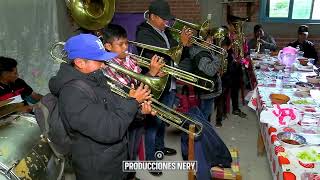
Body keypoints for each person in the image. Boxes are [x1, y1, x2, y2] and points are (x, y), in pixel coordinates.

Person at [49, 34, 154, 180]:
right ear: (80, 62)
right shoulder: (72, 94)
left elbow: (114, 108)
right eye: (99, 60)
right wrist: (133, 102)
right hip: (99, 169)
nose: (104, 64)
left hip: (115, 161)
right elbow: (110, 129)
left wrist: (139, 111)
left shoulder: (94, 77)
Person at [135, 0, 193, 176]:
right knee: (152, 125)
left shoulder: (165, 31)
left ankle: (160, 148)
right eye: (162, 19)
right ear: (152, 17)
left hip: (169, 83)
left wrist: (186, 45)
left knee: (163, 121)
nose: (166, 22)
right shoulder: (143, 33)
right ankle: (151, 160)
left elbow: (178, 57)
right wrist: (181, 44)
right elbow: (161, 58)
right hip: (154, 84)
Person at [103, 23, 163, 180]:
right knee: (126, 150)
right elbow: (131, 92)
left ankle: (131, 174)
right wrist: (151, 73)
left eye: (126, 43)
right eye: (120, 44)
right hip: (124, 113)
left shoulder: (128, 59)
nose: (125, 48)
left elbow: (138, 81)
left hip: (137, 112)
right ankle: (126, 175)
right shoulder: (109, 67)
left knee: (134, 146)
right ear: (108, 46)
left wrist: (153, 74)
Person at [189, 29, 222, 122]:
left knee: (205, 113)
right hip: (206, 90)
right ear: (202, 41)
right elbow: (210, 71)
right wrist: (218, 58)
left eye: (212, 40)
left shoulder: (206, 51)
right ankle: (202, 134)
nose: (212, 42)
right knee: (204, 114)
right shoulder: (201, 54)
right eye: (209, 40)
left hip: (207, 89)